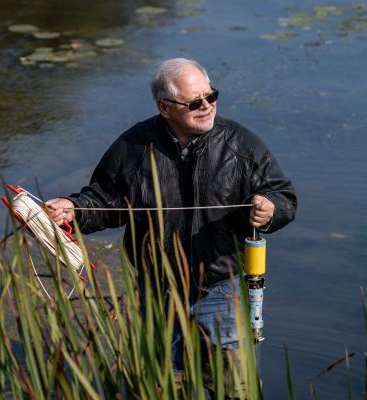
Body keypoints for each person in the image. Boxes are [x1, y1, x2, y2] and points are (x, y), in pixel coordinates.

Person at [46, 57, 297, 392]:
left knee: (235, 387)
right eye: (195, 102)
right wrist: (73, 209)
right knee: (162, 384)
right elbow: (105, 202)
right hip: (158, 290)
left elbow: (283, 197)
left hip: (222, 289)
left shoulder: (241, 144)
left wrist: (270, 210)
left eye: (211, 96)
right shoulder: (133, 147)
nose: (207, 106)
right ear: (164, 107)